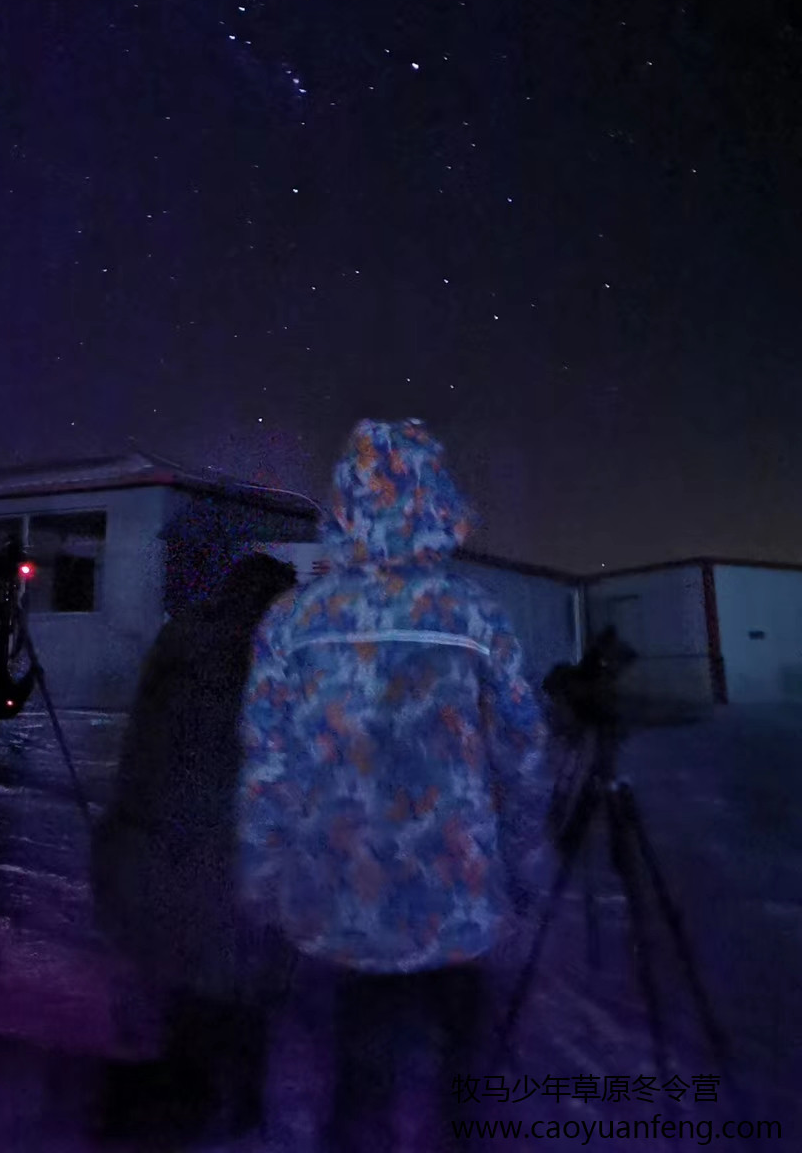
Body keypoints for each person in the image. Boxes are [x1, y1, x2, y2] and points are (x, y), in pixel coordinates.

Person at [237, 419, 549, 1152]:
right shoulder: (474, 614)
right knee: (465, 1094)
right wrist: (523, 862)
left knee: (357, 1098)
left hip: (333, 911)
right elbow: (523, 753)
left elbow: (268, 767)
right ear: (438, 499)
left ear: (345, 505)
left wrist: (262, 882)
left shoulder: (293, 619)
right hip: (460, 910)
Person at [92, 551, 299, 1143]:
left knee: (174, 989)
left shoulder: (181, 636)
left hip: (156, 840)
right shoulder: (269, 653)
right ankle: (222, 1111)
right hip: (222, 853)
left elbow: (144, 742)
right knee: (228, 992)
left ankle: (174, 1104)